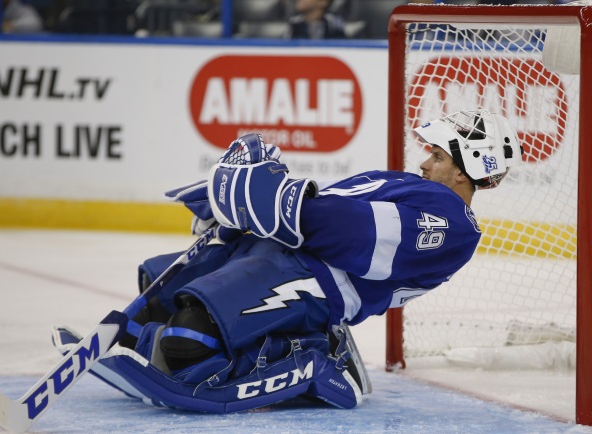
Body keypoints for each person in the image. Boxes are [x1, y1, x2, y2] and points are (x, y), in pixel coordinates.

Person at [71, 109, 523, 413]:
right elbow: (322, 208)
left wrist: (267, 197)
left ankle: (307, 357)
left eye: (438, 156)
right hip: (276, 253)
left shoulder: (453, 224)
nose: (425, 162)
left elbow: (351, 230)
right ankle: (152, 338)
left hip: (314, 282)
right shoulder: (403, 183)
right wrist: (237, 212)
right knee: (159, 298)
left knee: (189, 342)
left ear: (464, 171)